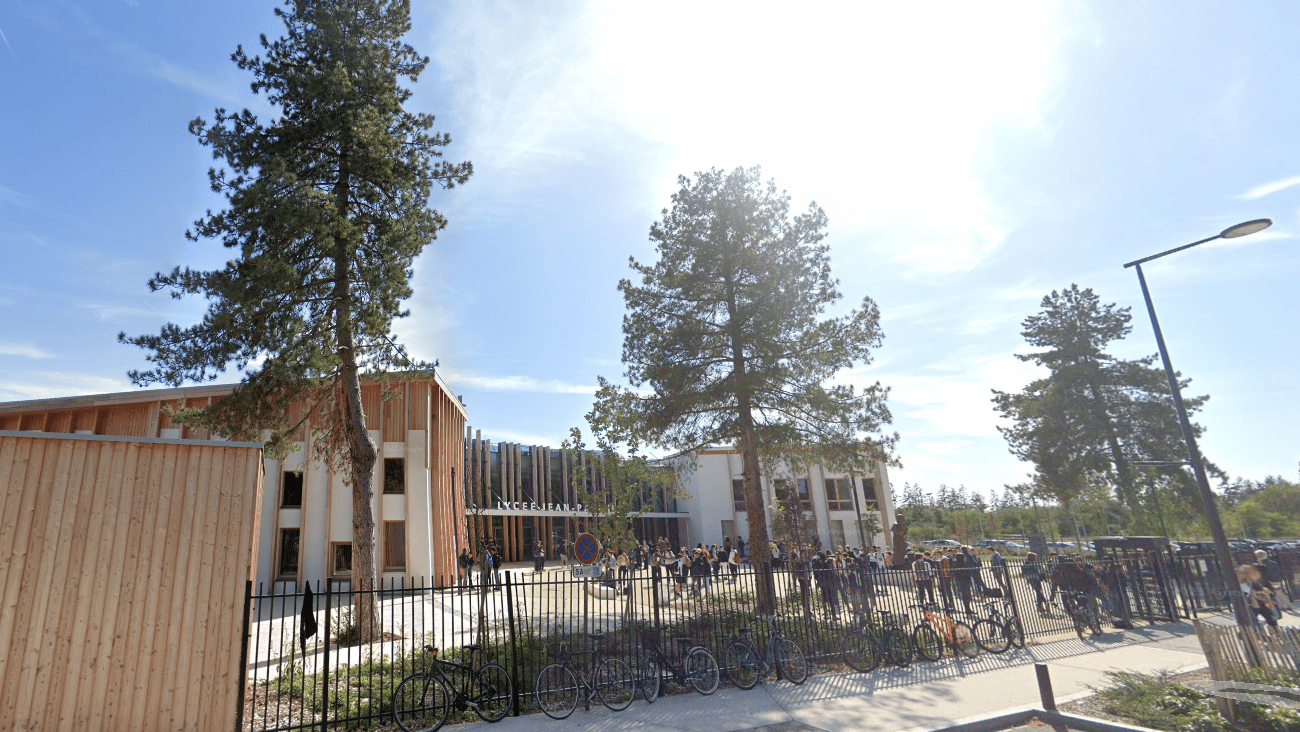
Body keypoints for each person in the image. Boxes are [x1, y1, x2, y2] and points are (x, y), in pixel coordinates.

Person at [1238, 560, 1279, 631]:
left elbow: (1260, 592)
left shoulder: (1254, 582)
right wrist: (1269, 601)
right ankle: (1252, 635)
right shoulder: (1243, 584)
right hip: (1252, 605)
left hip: (1262, 604)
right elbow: (1254, 594)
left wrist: (1269, 602)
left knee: (1271, 619)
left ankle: (1277, 633)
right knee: (1254, 622)